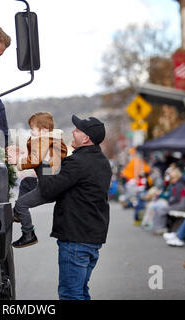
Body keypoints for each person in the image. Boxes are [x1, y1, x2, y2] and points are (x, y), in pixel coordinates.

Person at [37, 115, 112, 300]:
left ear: (86, 138)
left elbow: (48, 189)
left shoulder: (78, 162)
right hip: (91, 238)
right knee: (80, 291)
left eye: (77, 130)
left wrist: (41, 163)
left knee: (70, 295)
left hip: (76, 239)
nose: (73, 131)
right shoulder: (102, 161)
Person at [8, 112, 67, 248]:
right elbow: (42, 160)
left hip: (49, 186)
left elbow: (35, 160)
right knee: (27, 182)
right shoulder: (51, 140)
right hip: (49, 181)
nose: (30, 131)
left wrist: (18, 161)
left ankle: (28, 234)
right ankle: (18, 214)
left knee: (22, 204)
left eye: (32, 129)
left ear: (43, 130)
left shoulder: (45, 140)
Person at [151, 167, 185, 234]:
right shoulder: (177, 184)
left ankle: (161, 228)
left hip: (179, 205)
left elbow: (176, 198)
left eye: (173, 178)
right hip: (177, 204)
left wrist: (169, 203)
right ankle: (157, 227)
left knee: (161, 209)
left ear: (177, 177)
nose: (171, 180)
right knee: (159, 208)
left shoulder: (179, 185)